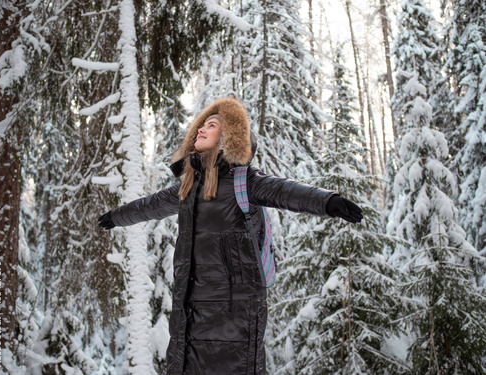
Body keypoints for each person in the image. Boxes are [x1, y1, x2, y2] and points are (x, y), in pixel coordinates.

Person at [98, 97, 363, 375]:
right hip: (189, 309)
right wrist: (117, 216)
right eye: (200, 126)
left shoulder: (244, 181)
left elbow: (285, 191)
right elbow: (149, 206)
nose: (200, 130)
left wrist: (327, 202)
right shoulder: (187, 188)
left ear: (228, 138)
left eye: (210, 126)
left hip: (233, 312)